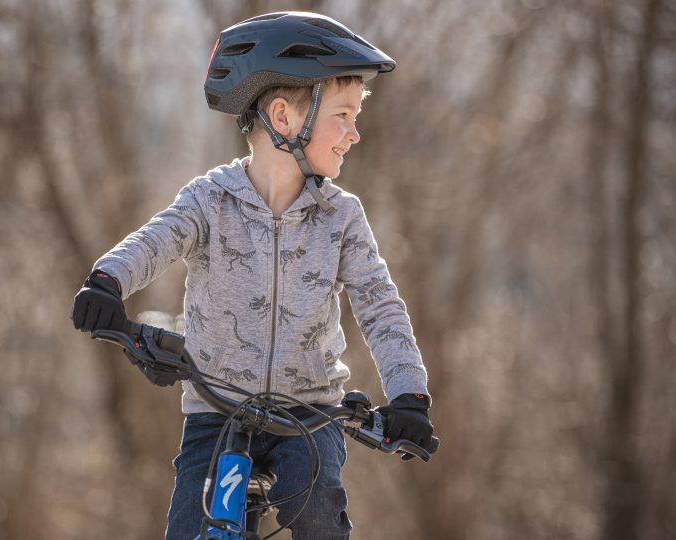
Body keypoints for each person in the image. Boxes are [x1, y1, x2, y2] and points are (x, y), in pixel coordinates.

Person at [71, 11, 434, 539]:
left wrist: (409, 396)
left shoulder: (342, 217)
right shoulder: (210, 199)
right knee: (192, 529)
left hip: (309, 416)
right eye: (343, 115)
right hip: (217, 412)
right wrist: (108, 281)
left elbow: (379, 306)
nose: (355, 134)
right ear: (283, 118)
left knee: (317, 518)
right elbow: (156, 240)